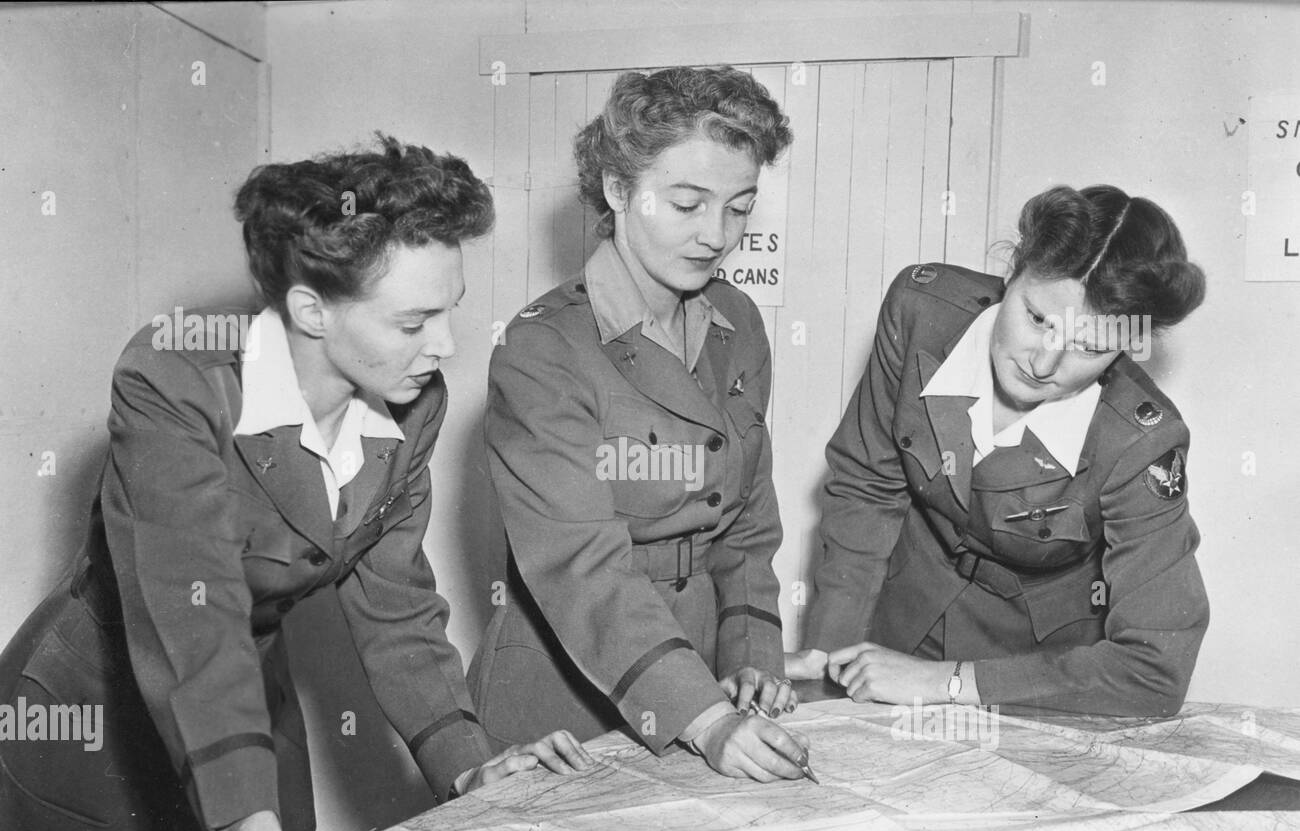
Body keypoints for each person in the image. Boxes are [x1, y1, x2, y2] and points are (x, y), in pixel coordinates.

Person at [0, 135, 592, 831]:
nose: (445, 345)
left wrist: (470, 764)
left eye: (446, 312)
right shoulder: (175, 378)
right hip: (102, 719)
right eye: (413, 320)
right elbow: (191, 608)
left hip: (247, 699)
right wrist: (248, 822)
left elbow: (395, 604)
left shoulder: (412, 400)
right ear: (311, 308)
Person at [468, 66, 810, 782]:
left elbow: (745, 518)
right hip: (565, 691)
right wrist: (706, 717)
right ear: (619, 191)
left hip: (705, 673)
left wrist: (751, 657)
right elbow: (580, 565)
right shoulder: (543, 349)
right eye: (687, 204)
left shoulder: (737, 323)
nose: (716, 235)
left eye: (739, 207)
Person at [787, 184, 1210, 718]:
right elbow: (867, 489)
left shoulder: (1141, 439)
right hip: (891, 634)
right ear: (1013, 273)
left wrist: (948, 683)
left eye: (1092, 346)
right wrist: (830, 659)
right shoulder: (921, 310)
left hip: (1031, 679)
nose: (1044, 363)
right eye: (1037, 319)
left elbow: (1155, 671)